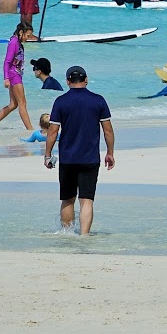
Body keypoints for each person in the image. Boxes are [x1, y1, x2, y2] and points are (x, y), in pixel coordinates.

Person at [44, 65, 116, 236]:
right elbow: (108, 130)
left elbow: (53, 131)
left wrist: (47, 155)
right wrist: (110, 153)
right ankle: (84, 236)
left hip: (68, 159)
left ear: (68, 81)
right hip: (90, 159)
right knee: (87, 201)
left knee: (67, 199)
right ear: (86, 80)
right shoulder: (98, 100)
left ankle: (67, 234)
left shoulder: (60, 102)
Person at [0, 21, 36, 131]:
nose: (28, 38)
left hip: (17, 74)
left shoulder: (18, 42)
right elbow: (7, 62)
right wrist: (6, 78)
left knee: (13, 104)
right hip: (14, 75)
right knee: (22, 103)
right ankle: (30, 130)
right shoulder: (13, 42)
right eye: (27, 35)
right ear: (21, 32)